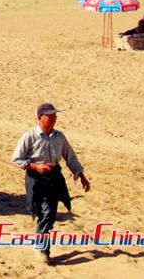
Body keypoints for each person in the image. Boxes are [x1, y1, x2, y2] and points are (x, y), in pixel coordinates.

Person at [12, 103, 91, 264]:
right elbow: (17, 159)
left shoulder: (59, 137)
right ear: (39, 118)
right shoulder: (29, 136)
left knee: (50, 213)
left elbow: (70, 157)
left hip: (54, 179)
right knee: (45, 213)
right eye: (50, 116)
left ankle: (40, 244)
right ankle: (42, 248)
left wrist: (81, 175)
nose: (53, 119)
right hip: (35, 179)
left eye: (55, 116)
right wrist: (35, 167)